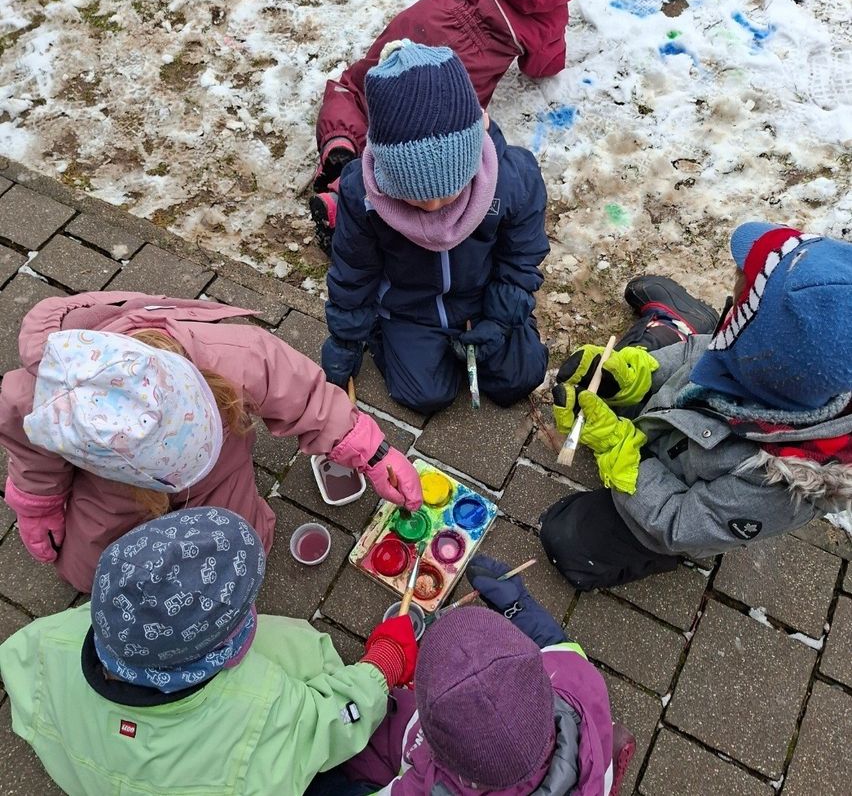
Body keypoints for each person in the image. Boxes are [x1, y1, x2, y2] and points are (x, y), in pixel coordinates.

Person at [0, 291, 422, 592]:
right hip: (114, 486)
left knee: (240, 547)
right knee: (94, 568)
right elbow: (32, 456)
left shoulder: (229, 356)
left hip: (221, 468)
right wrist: (38, 506)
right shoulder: (41, 399)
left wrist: (375, 454)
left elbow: (308, 397)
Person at [0, 508, 418, 796]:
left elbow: (15, 659)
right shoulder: (263, 709)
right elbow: (333, 722)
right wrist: (382, 666)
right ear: (214, 654)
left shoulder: (45, 641)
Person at [540, 222, 852, 590]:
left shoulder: (783, 486)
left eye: (741, 307)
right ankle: (675, 326)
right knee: (590, 391)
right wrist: (635, 375)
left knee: (570, 541)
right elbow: (697, 353)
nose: (734, 309)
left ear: (760, 355)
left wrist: (621, 452)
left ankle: (670, 325)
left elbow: (679, 523)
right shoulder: (765, 362)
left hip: (670, 497)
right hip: (670, 423)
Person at [321, 40, 550, 414]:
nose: (432, 209)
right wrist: (346, 340)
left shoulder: (514, 179)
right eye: (412, 197)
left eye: (449, 194)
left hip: (481, 300)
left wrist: (500, 318)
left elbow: (521, 258)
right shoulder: (361, 193)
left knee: (519, 378)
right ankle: (385, 334)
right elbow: (354, 270)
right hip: (411, 308)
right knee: (426, 396)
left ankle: (499, 331)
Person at [310, 0, 579, 252]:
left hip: (424, 21)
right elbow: (544, 64)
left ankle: (340, 140)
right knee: (425, 148)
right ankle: (343, 202)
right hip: (459, 67)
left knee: (360, 87)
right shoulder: (552, 6)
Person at [326, 556, 634, 795]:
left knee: (352, 756)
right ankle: (606, 762)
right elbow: (555, 643)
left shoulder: (432, 786)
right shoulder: (575, 679)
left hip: (409, 754)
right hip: (587, 760)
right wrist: (519, 605)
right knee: (597, 740)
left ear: (443, 757)